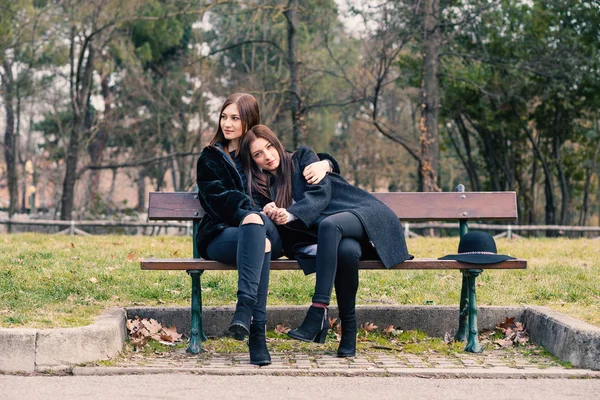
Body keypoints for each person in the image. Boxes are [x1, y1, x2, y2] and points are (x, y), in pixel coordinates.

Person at [240, 124, 413, 357]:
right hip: (338, 236)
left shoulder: (301, 157)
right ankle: (348, 333)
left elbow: (320, 194)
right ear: (253, 161)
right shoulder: (263, 187)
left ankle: (318, 310)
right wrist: (271, 212)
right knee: (346, 252)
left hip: (365, 215)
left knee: (331, 225)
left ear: (277, 144)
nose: (268, 156)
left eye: (269, 147)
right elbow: (267, 219)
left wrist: (292, 211)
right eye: (258, 154)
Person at [195, 93, 336, 366]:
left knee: (259, 229)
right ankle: (256, 331)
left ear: (249, 121)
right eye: (224, 116)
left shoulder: (256, 155)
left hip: (267, 231)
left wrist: (327, 162)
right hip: (223, 234)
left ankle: (245, 315)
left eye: (235, 118)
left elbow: (291, 160)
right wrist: (252, 211)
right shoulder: (211, 158)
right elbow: (217, 199)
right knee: (257, 230)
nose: (227, 123)